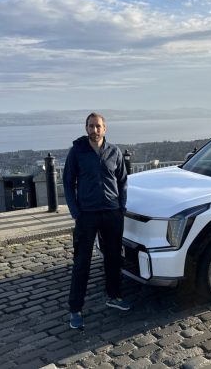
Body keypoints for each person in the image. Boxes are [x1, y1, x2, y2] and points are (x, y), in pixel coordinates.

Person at [63, 112, 130, 329]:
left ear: (105, 128)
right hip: (87, 215)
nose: (94, 130)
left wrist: (121, 208)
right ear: (86, 128)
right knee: (82, 262)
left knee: (113, 258)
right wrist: (76, 212)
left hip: (112, 213)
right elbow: (67, 183)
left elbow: (122, 181)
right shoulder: (77, 152)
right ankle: (76, 309)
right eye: (91, 126)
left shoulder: (114, 152)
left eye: (98, 126)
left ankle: (114, 296)